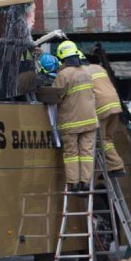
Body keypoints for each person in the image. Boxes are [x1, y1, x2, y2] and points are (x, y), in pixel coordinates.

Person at [52, 40, 98, 192]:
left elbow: (55, 96)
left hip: (71, 122)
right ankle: (85, 182)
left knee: (71, 153)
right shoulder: (86, 72)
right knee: (86, 152)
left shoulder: (63, 75)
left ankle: (73, 183)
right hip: (90, 120)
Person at [80, 55, 126, 177]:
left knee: (99, 140)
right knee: (107, 139)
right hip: (115, 105)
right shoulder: (99, 68)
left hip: (101, 107)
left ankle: (117, 165)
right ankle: (111, 168)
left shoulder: (80, 73)